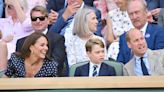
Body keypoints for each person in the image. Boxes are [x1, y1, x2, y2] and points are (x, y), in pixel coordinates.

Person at [16, 6, 66, 77]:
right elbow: (18, 65)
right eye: (34, 19)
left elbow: (57, 63)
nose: (38, 21)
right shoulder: (21, 42)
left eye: (41, 18)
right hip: (26, 82)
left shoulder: (57, 39)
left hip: (50, 82)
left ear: (48, 20)